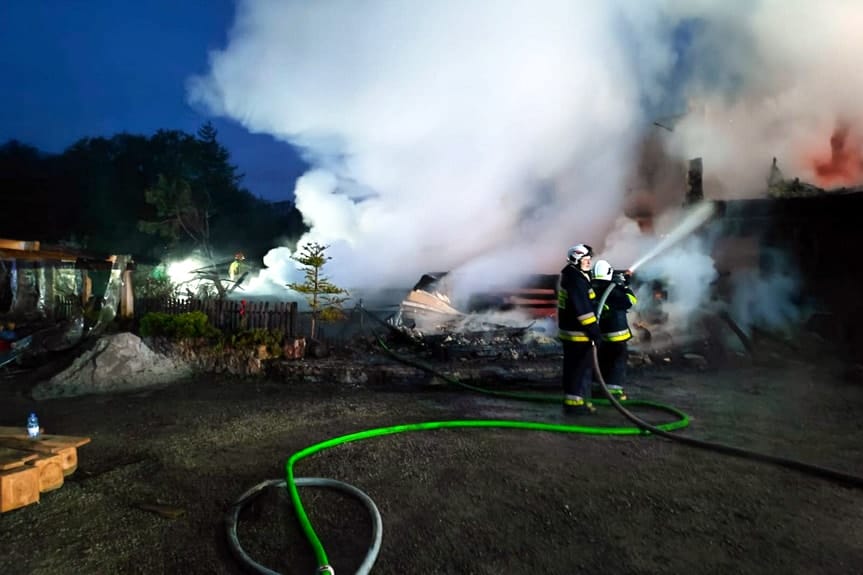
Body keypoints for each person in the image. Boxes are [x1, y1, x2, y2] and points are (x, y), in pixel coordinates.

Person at [557, 244, 601, 415]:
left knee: (580, 368)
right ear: (576, 260)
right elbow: (583, 311)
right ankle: (575, 404)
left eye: (589, 259)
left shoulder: (573, 275)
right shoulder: (575, 281)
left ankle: (580, 400)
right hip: (578, 334)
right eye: (585, 260)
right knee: (579, 369)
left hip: (573, 332)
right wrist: (594, 331)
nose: (589, 262)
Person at [591, 259, 637, 401]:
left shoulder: (591, 289)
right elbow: (630, 301)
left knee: (600, 360)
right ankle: (614, 392)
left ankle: (597, 387)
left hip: (600, 335)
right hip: (617, 336)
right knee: (617, 362)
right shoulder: (614, 291)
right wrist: (624, 287)